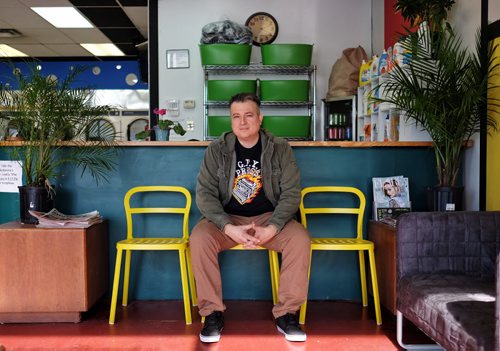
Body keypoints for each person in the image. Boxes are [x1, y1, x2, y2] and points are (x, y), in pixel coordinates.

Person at [190, 92, 311, 343]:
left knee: (299, 238)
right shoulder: (216, 149)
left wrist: (274, 227)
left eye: (248, 115)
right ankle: (212, 313)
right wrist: (228, 227)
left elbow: (291, 193)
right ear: (231, 120)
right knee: (200, 238)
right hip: (227, 219)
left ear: (260, 118)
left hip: (269, 217)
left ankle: (287, 314)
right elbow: (204, 195)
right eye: (236, 116)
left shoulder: (280, 148)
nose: (242, 122)